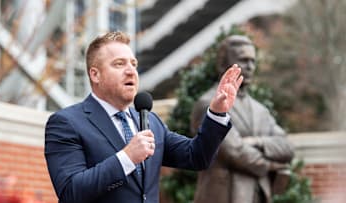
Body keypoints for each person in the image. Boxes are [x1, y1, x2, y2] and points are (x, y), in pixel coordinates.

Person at [44, 31, 243, 203]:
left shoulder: (150, 122)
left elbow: (197, 157)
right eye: (119, 64)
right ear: (95, 75)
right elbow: (70, 192)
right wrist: (127, 157)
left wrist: (217, 112)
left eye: (133, 64)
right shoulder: (66, 123)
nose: (131, 70)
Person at [192, 35, 294, 203]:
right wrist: (270, 166)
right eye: (243, 60)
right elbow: (234, 151)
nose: (250, 67)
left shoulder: (260, 110)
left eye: (253, 61)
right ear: (223, 64)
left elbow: (287, 147)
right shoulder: (208, 104)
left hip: (259, 195)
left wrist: (256, 141)